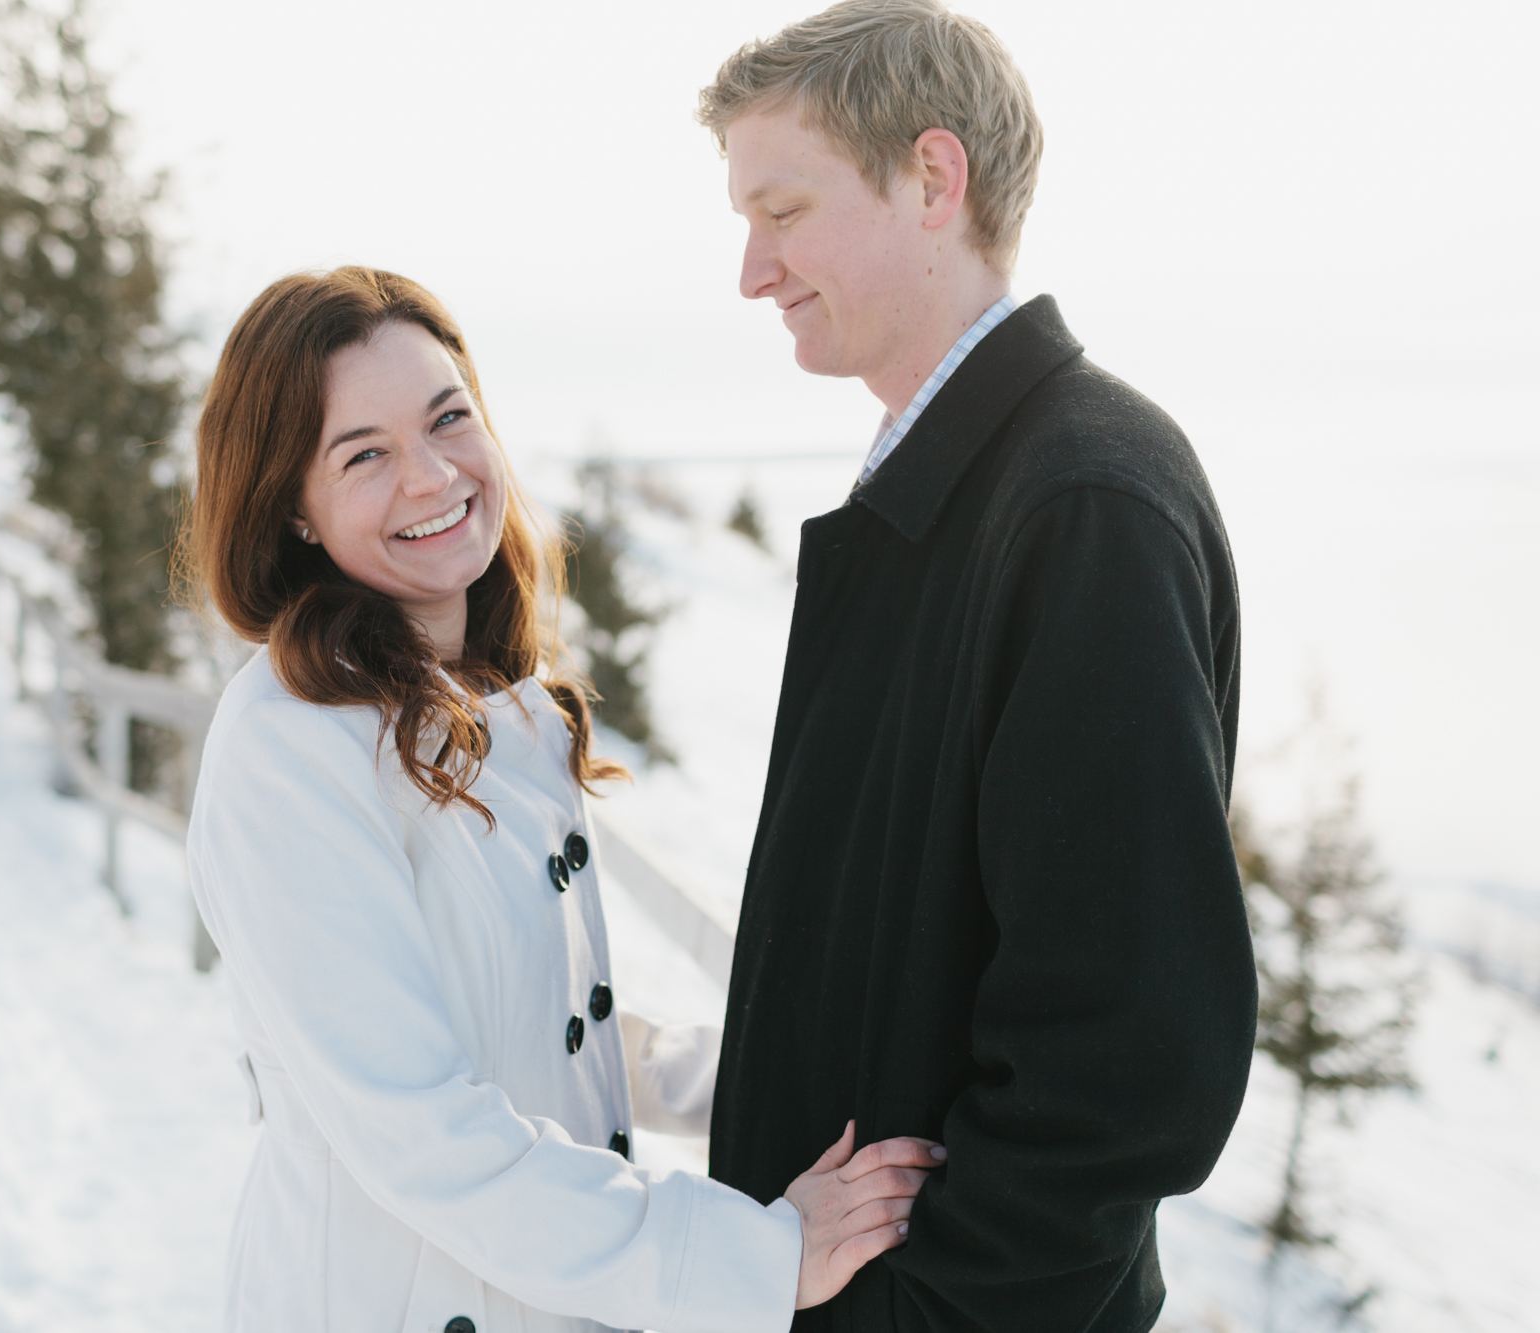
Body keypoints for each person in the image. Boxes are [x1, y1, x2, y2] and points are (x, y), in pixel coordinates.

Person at [180, 266, 944, 1333]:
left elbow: (544, 1028)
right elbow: (418, 1126)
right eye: (364, 454)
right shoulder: (287, 748)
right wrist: (756, 1258)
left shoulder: (502, 707)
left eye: (448, 418)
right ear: (291, 511)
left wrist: (789, 1073)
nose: (431, 473)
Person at [695, 3, 1255, 1329]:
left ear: (933, 178)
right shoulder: (956, 480)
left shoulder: (1081, 503)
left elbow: (1127, 1054)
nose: (752, 270)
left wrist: (918, 1312)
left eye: (783, 210)